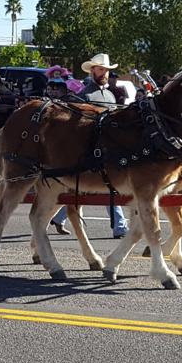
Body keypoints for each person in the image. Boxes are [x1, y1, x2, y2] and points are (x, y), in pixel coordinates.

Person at [50, 53, 128, 238]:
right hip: (90, 148)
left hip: (109, 146)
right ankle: (121, 226)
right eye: (98, 69)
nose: (101, 73)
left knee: (82, 189)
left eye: (103, 70)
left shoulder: (109, 95)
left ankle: (59, 218)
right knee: (109, 185)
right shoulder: (84, 95)